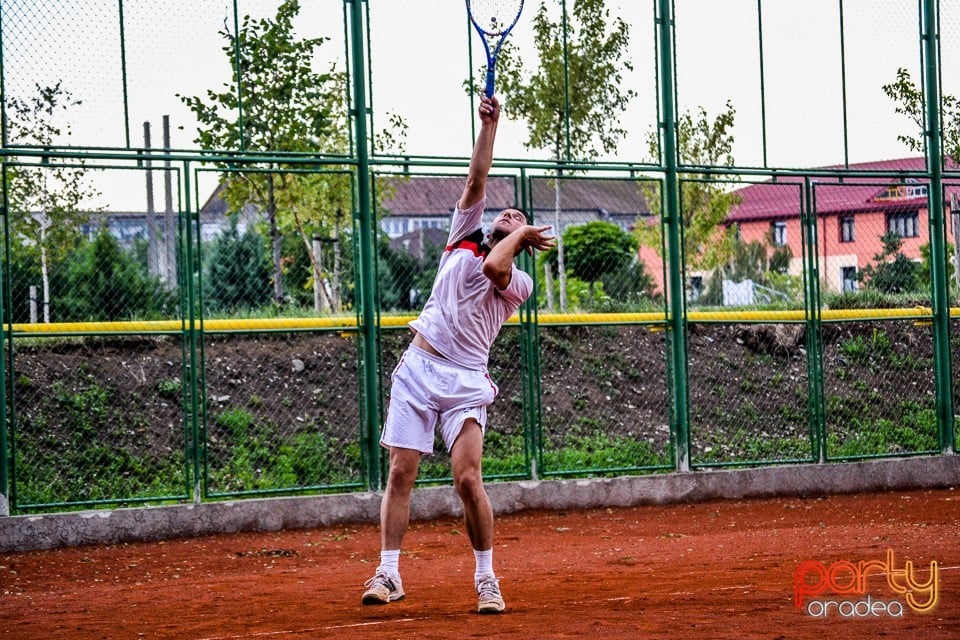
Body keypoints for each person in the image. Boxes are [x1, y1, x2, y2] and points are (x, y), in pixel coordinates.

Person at [361, 94, 555, 614]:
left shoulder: (518, 281)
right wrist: (489, 126)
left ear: (526, 240)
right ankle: (389, 573)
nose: (509, 214)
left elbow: (496, 268)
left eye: (519, 218)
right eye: (506, 213)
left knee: (468, 479)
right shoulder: (459, 240)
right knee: (401, 472)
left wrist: (516, 239)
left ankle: (487, 579)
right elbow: (476, 179)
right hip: (419, 369)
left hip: (466, 381)